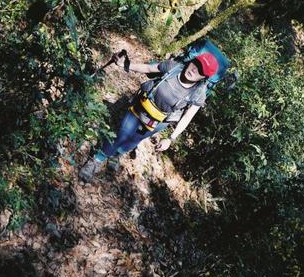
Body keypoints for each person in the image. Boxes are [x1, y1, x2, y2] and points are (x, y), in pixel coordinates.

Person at [79, 51, 219, 183]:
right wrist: (125, 64)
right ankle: (97, 160)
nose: (195, 70)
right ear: (191, 61)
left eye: (201, 71)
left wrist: (170, 138)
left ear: (204, 78)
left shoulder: (199, 92)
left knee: (134, 140)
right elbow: (149, 68)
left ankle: (117, 154)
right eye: (196, 64)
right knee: (122, 135)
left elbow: (187, 117)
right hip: (142, 106)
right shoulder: (173, 67)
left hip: (159, 121)